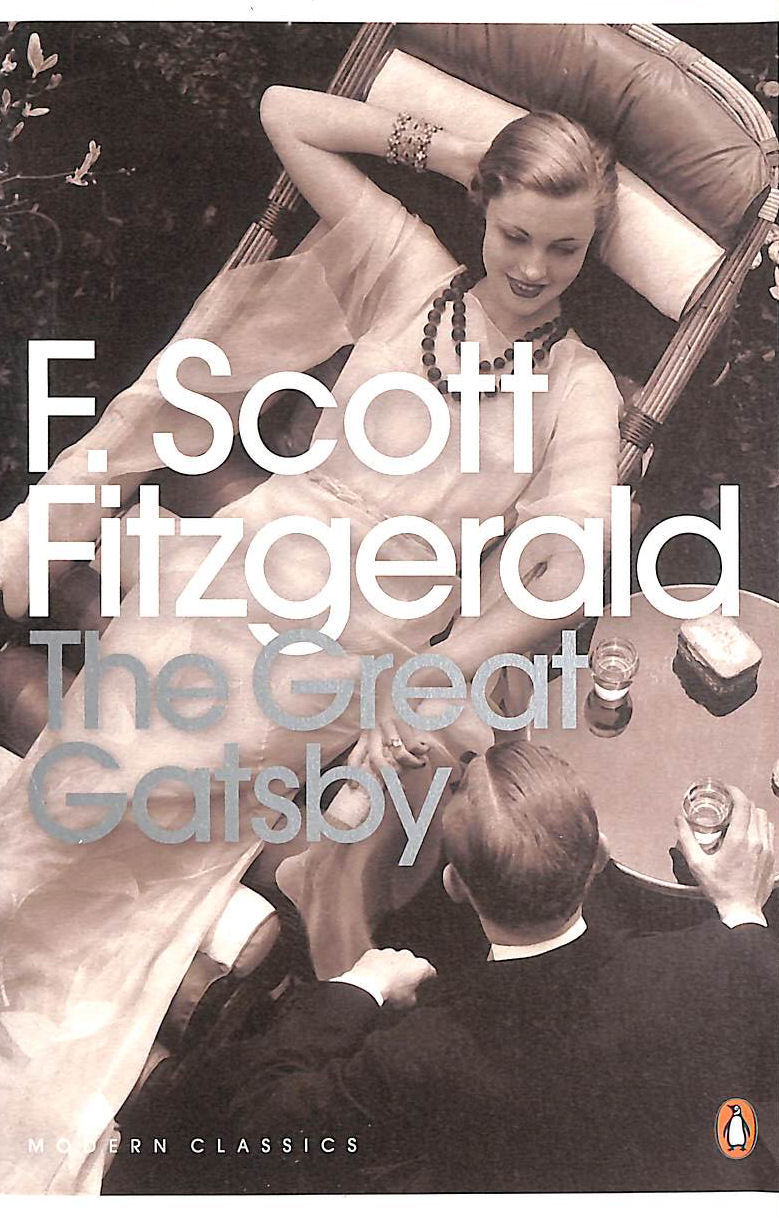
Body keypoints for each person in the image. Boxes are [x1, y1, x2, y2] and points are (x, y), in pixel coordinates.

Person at [0, 93, 621, 1190]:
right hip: (239, 559)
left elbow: (567, 565)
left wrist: (435, 667)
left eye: (563, 248)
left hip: (361, 632)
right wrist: (459, 150)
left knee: (160, 767)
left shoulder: (580, 386)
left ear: (591, 246)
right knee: (95, 755)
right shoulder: (407, 267)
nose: (532, 267)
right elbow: (285, 113)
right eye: (515, 232)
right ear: (482, 208)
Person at [123, 743, 776, 1194]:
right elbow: (752, 985)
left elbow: (261, 1118)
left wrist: (357, 988)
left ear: (455, 886)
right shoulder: (713, 967)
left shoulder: (416, 1053)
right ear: (600, 857)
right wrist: (742, 907)